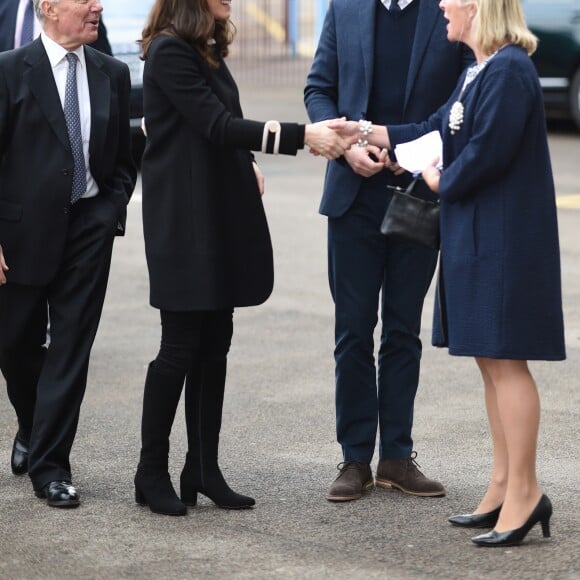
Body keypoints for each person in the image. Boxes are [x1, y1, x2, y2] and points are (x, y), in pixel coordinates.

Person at [333, 0, 565, 548]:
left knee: (508, 365)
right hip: (480, 239)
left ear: (477, 7)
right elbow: (435, 130)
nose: (441, 5)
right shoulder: (478, 70)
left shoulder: (510, 69)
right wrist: (369, 130)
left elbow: (486, 153)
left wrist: (439, 181)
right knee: (492, 363)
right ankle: (503, 486)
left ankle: (527, 494)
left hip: (504, 242)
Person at [134, 0, 354, 516]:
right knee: (179, 346)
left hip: (216, 215)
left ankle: (203, 469)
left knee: (215, 344)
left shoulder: (204, 45)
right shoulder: (169, 50)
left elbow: (219, 124)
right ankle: (150, 472)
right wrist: (305, 136)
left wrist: (248, 158)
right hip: (184, 224)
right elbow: (213, 124)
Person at [304, 0, 474, 502]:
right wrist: (341, 144)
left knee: (403, 330)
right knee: (353, 330)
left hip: (418, 195)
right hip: (352, 196)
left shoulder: (445, 12)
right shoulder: (346, 8)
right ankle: (355, 459)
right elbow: (319, 87)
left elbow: (465, 97)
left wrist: (417, 152)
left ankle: (397, 457)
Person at [0, 0, 136, 508]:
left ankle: (51, 465)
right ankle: (32, 426)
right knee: (14, 346)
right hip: (19, 237)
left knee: (70, 351)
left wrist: (109, 212)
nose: (97, 6)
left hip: (87, 230)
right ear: (48, 8)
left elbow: (124, 156)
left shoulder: (112, 74)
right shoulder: (10, 71)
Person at [0, 0, 113, 54]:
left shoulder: (87, 14)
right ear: (48, 9)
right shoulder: (5, 5)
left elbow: (105, 70)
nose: (98, 7)